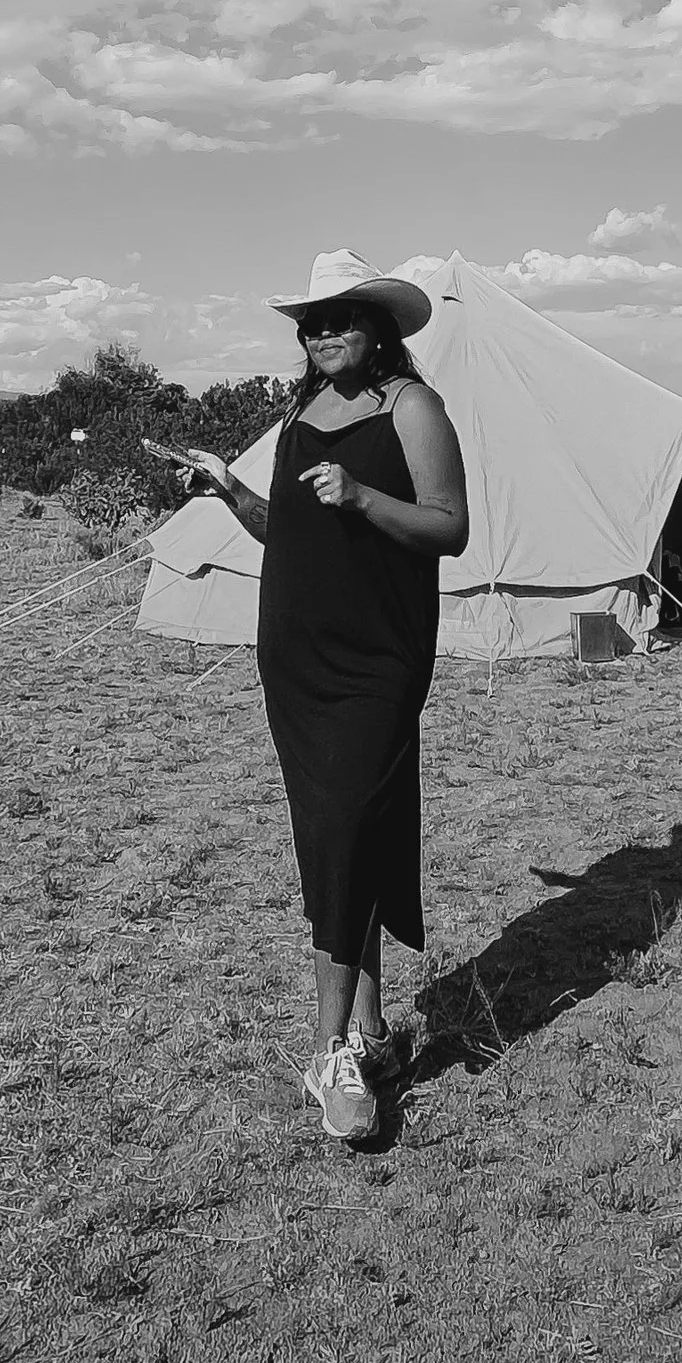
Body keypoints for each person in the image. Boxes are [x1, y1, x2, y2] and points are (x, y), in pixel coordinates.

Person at [177, 249, 469, 1146]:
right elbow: (288, 529)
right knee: (347, 830)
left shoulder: (413, 408)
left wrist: (364, 494)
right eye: (311, 322)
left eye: (340, 316)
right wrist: (230, 490)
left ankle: (327, 1051)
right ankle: (370, 1033)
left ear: (378, 327)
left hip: (378, 657)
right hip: (296, 656)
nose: (323, 332)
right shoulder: (303, 411)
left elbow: (449, 528)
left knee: (346, 828)